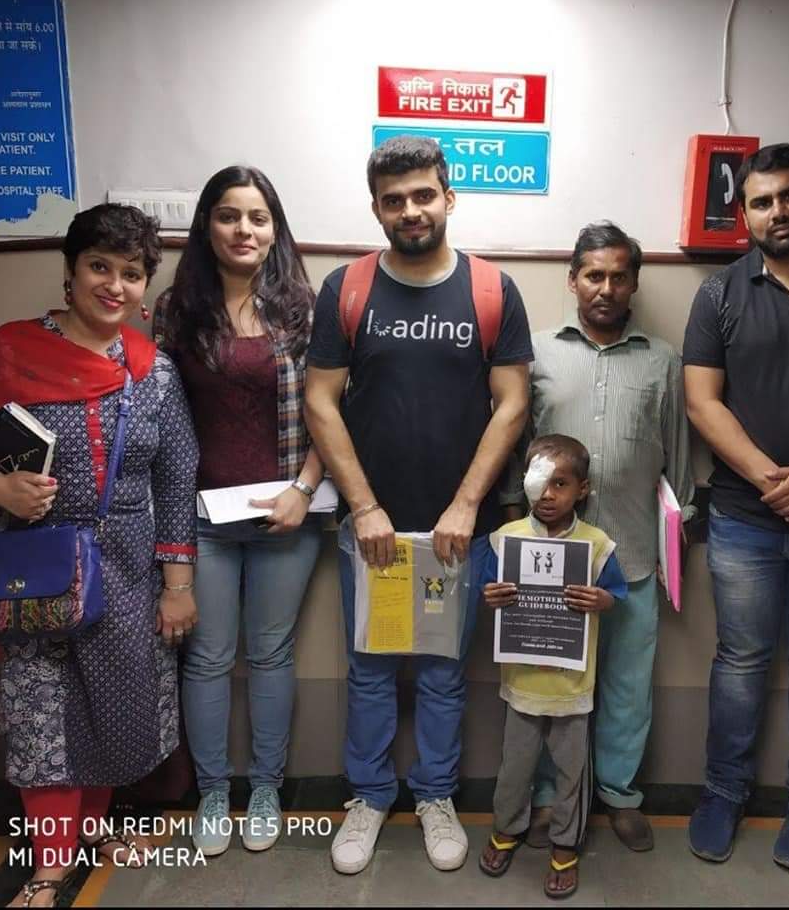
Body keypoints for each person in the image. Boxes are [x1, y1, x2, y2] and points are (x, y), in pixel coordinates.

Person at [0, 204, 199, 907]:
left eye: (132, 273)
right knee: (40, 714)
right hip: (30, 563)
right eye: (100, 267)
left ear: (147, 285)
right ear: (71, 271)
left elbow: (175, 477)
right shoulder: (6, 353)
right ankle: (50, 867)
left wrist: (177, 583)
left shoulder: (155, 374)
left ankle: (94, 829)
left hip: (126, 569)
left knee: (113, 708)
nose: (114, 285)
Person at [304, 135, 533, 874]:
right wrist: (363, 507)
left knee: (440, 672)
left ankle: (434, 794)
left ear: (448, 197)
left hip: (455, 532)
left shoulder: (492, 290)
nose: (410, 210)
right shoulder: (346, 289)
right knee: (370, 669)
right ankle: (369, 796)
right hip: (369, 528)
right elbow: (320, 401)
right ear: (375, 207)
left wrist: (467, 505)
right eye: (393, 199)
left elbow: (511, 404)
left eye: (422, 195)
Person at [683, 143, 789, 871]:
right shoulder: (718, 293)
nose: (775, 212)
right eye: (760, 201)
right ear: (742, 213)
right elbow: (700, 402)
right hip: (744, 521)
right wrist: (782, 486)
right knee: (739, 661)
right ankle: (722, 790)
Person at [153, 165, 323, 856]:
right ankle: (215, 790)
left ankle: (265, 788)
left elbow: (331, 410)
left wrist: (303, 489)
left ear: (274, 227)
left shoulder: (304, 308)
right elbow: (161, 420)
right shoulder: (175, 308)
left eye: (257, 217)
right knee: (207, 659)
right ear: (206, 226)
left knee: (271, 654)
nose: (243, 229)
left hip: (288, 514)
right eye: (228, 215)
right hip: (200, 518)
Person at [511, 221, 695, 852]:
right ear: (572, 279)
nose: (606, 287)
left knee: (625, 685)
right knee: (546, 681)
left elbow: (679, 458)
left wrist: (682, 535)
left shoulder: (663, 360)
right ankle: (546, 800)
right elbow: (516, 452)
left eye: (619, 276)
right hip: (548, 559)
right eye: (594, 274)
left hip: (634, 556)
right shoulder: (536, 353)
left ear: (635, 284)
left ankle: (618, 794)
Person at [480, 434, 628, 898]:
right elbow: (488, 588)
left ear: (582, 490)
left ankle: (566, 847)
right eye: (539, 482)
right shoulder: (506, 541)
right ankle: (506, 830)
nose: (547, 494)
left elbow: (617, 594)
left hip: (572, 687)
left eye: (560, 483)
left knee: (570, 774)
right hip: (522, 684)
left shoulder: (597, 545)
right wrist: (493, 594)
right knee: (514, 769)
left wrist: (602, 599)